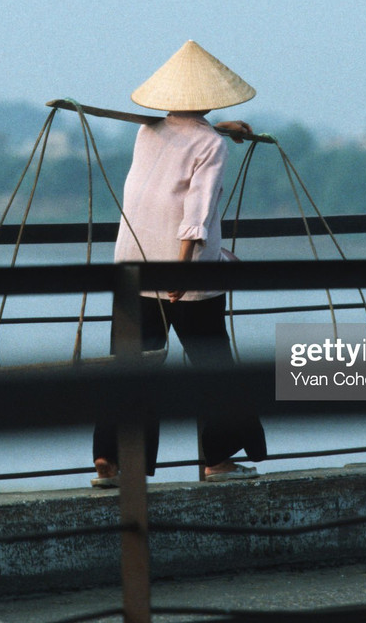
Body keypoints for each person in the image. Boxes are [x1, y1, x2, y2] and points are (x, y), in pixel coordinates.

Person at [91, 40, 268, 488]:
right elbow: (198, 216)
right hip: (184, 276)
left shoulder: (148, 131)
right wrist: (185, 269)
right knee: (213, 363)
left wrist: (218, 128)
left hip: (134, 267)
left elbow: (181, 144)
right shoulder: (211, 146)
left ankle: (111, 459)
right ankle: (218, 460)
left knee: (133, 364)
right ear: (209, 98)